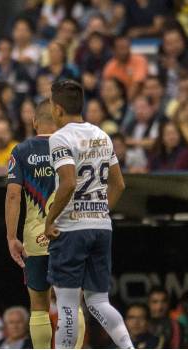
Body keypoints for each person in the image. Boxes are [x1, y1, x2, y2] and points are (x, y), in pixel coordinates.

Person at [44, 80, 132, 348]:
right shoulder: (102, 135)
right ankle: (129, 347)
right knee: (98, 302)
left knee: (68, 304)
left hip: (70, 229)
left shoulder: (60, 137)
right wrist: (100, 212)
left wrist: (49, 220)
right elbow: (119, 184)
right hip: (101, 227)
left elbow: (68, 182)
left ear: (58, 109)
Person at [5, 99, 86, 349]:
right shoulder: (74, 147)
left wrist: (11, 237)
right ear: (60, 119)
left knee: (39, 306)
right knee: (72, 303)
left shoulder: (21, 151)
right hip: (70, 235)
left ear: (33, 121)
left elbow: (13, 195)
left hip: (35, 240)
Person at [102, 36, 148, 100]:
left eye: (126, 47)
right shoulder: (110, 66)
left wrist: (125, 104)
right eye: (121, 48)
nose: (124, 51)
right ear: (114, 50)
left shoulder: (140, 60)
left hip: (138, 98)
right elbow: (106, 88)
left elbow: (137, 84)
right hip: (118, 100)